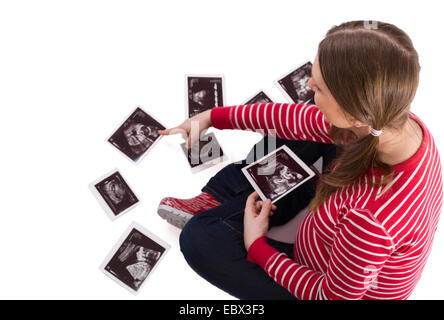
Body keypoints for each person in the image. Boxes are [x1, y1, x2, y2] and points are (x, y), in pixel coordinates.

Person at [156, 20, 443, 300]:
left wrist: (257, 246)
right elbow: (296, 120)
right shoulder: (397, 123)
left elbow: (329, 295)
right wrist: (211, 117)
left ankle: (259, 204)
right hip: (342, 232)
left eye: (319, 87)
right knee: (312, 117)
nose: (308, 84)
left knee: (199, 239)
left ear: (355, 116)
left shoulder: (370, 220)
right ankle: (227, 195)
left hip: (324, 280)